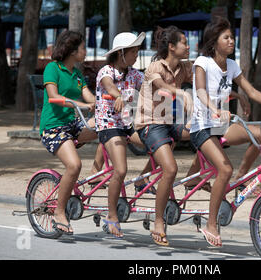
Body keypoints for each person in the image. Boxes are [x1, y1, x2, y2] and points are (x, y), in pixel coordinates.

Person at [190, 17, 261, 247]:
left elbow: (252, 92)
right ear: (214, 41)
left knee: (260, 136)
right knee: (224, 168)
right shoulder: (202, 62)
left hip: (222, 125)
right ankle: (211, 223)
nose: (231, 41)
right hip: (202, 127)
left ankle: (239, 180)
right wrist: (215, 109)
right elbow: (200, 91)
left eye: (232, 37)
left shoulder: (233, 66)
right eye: (226, 37)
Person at [134, 26, 198, 246]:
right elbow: (161, 85)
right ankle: (159, 222)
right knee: (170, 169)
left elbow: (202, 81)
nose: (188, 46)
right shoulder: (154, 67)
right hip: (151, 124)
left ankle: (196, 175)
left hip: (171, 122)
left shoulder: (183, 68)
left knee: (208, 135)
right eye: (184, 43)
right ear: (172, 47)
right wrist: (181, 93)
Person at [39, 30, 98, 235]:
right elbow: (53, 97)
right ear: (73, 51)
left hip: (72, 126)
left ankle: (96, 174)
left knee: (105, 127)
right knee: (74, 165)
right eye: (83, 48)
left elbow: (88, 96)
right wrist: (81, 105)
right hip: (53, 129)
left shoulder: (77, 74)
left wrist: (103, 103)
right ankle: (60, 212)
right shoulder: (52, 69)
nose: (85, 51)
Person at [94, 32, 147, 238]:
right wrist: (118, 96)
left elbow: (150, 86)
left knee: (161, 146)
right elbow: (109, 85)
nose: (136, 54)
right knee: (121, 169)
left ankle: (142, 180)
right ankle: (112, 215)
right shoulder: (105, 71)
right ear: (121, 53)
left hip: (127, 124)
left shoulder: (134, 74)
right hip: (108, 125)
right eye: (133, 51)